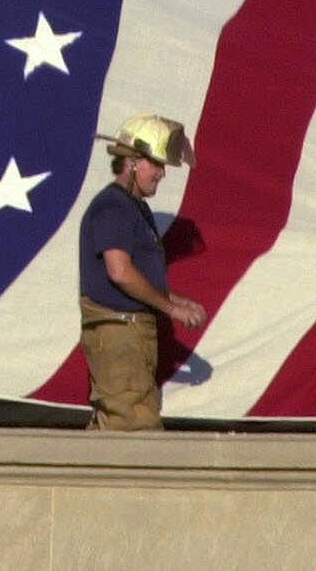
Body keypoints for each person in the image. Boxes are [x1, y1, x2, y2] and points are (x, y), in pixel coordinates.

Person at [78, 113, 207, 430]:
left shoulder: (133, 208)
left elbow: (138, 275)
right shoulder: (113, 207)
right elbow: (120, 272)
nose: (162, 174)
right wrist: (171, 308)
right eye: (156, 164)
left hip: (131, 338)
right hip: (120, 337)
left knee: (115, 431)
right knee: (136, 435)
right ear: (133, 162)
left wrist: (176, 299)